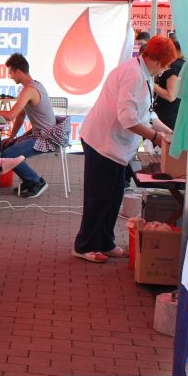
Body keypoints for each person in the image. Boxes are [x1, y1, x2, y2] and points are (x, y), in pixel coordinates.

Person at [73, 36, 176, 263]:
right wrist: (155, 137)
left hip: (115, 146)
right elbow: (128, 118)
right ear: (159, 61)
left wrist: (169, 133)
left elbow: (147, 114)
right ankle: (84, 245)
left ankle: (105, 241)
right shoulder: (133, 75)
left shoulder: (142, 74)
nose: (166, 69)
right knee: (99, 197)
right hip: (102, 143)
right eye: (167, 64)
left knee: (113, 196)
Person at [0, 53, 58, 198]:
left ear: (18, 71)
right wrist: (12, 137)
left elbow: (10, 115)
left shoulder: (29, 90)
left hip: (46, 138)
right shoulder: (33, 86)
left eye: (11, 73)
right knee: (2, 147)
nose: (10, 77)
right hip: (40, 134)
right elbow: (20, 116)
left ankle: (36, 182)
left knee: (8, 155)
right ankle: (27, 180)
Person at [153, 40, 185, 129]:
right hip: (174, 113)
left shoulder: (175, 66)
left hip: (167, 115)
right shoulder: (182, 65)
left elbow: (171, 96)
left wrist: (152, 84)